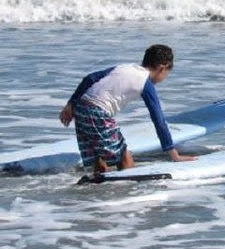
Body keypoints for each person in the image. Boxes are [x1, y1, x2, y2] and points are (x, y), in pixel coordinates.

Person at [59, 44, 196, 173]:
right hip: (98, 111)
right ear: (162, 68)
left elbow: (89, 78)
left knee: (98, 156)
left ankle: (97, 187)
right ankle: (132, 190)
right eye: (167, 73)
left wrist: (71, 103)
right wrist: (174, 154)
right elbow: (158, 120)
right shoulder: (146, 83)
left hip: (81, 107)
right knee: (124, 156)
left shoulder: (124, 67)